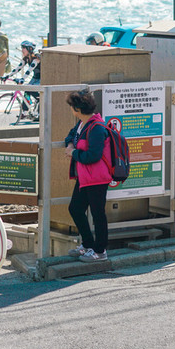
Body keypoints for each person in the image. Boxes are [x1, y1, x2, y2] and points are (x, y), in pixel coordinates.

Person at [64, 89, 111, 262]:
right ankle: (88, 244)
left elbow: (93, 156)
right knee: (75, 208)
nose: (71, 110)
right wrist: (70, 145)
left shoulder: (96, 128)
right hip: (86, 177)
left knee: (98, 213)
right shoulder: (83, 124)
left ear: (77, 109)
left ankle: (100, 251)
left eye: (71, 107)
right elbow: (70, 135)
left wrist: (73, 153)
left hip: (97, 178)